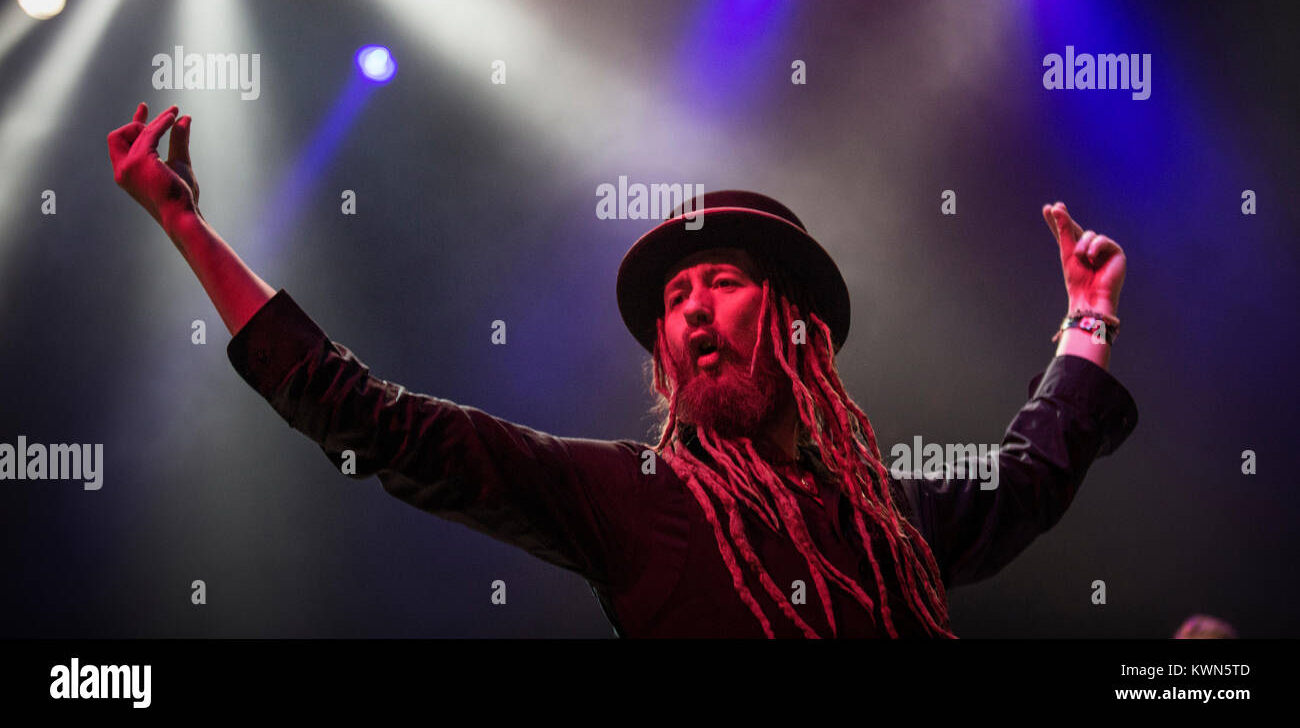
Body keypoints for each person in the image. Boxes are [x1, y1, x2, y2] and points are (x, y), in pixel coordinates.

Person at [108, 102, 1138, 638]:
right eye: (671, 299)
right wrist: (186, 224)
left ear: (795, 324)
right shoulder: (625, 496)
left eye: (718, 280)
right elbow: (374, 421)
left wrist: (1084, 322)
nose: (686, 305)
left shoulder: (884, 517)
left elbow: (1027, 480)